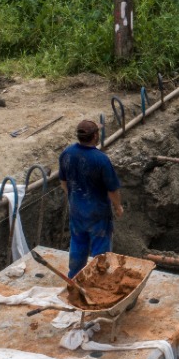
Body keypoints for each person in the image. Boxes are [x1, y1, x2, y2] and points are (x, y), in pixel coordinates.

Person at [58, 119, 123, 277]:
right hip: (98, 215)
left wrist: (74, 199)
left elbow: (63, 183)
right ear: (95, 136)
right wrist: (118, 207)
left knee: (78, 245)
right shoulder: (101, 159)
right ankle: (98, 281)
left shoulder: (66, 153)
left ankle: (74, 278)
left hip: (77, 212)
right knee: (100, 252)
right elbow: (112, 189)